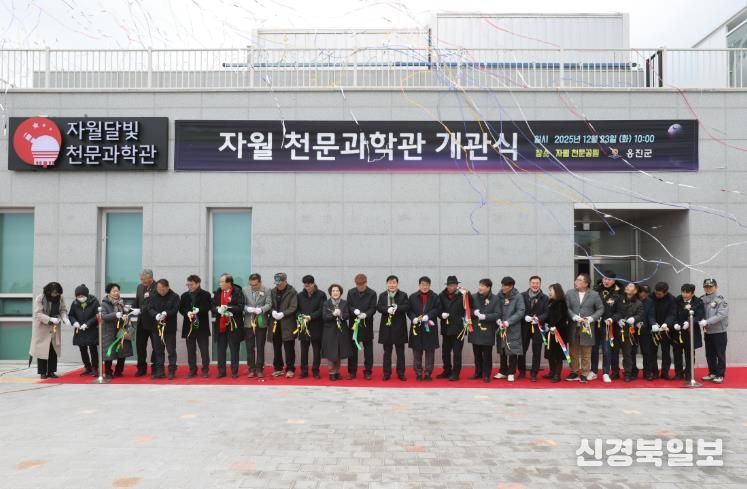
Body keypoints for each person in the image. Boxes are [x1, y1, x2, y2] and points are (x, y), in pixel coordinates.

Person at [566, 273, 604, 384]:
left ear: (586, 283)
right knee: (573, 351)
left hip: (587, 327)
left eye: (579, 280)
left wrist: (591, 318)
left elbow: (600, 309)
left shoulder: (594, 294)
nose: (576, 282)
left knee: (586, 352)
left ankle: (584, 373)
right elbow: (567, 308)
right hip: (573, 326)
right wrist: (573, 316)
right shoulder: (569, 293)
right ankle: (574, 371)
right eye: (576, 279)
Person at [30, 282, 69, 379]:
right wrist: (50, 319)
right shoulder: (40, 298)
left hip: (55, 326)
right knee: (42, 350)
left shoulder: (60, 298)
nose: (56, 294)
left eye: (57, 293)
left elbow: (63, 309)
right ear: (48, 291)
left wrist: (64, 318)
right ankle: (42, 372)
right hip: (42, 327)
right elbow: (38, 313)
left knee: (53, 349)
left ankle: (51, 371)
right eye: (54, 292)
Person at [101, 282, 138, 379]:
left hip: (122, 329)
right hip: (109, 331)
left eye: (117, 291)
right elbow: (103, 316)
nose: (116, 293)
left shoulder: (122, 302)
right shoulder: (104, 303)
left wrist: (131, 312)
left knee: (123, 350)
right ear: (109, 292)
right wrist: (115, 315)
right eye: (114, 291)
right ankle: (108, 372)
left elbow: (126, 312)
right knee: (109, 352)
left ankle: (119, 370)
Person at [407, 276, 441, 381]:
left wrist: (429, 316)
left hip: (429, 327)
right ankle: (418, 373)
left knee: (430, 352)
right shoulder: (413, 297)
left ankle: (428, 373)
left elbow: (437, 309)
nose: (425, 287)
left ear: (429, 286)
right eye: (422, 285)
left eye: (427, 285)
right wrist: (413, 318)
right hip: (416, 327)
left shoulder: (435, 297)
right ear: (419, 285)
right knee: (417, 351)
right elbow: (409, 310)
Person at [437, 276, 470, 381]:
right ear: (447, 286)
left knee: (457, 353)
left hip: (458, 328)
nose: (452, 287)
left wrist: (467, 293)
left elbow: (469, 307)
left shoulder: (463, 295)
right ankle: (447, 370)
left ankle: (456, 373)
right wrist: (441, 314)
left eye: (454, 285)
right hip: (446, 328)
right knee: (445, 352)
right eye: (450, 285)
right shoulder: (441, 295)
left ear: (457, 285)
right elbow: (438, 309)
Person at [377, 275, 410, 381]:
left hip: (399, 328)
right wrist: (387, 310)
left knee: (400, 353)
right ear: (387, 284)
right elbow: (379, 307)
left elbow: (407, 306)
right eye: (390, 283)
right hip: (386, 328)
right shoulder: (382, 295)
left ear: (397, 284)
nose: (392, 285)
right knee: (387, 352)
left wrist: (397, 307)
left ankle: (401, 373)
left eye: (394, 282)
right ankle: (386, 373)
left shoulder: (403, 295)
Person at [212, 273, 245, 379]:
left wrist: (228, 308)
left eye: (222, 282)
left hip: (233, 325)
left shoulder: (237, 292)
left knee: (234, 349)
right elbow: (212, 306)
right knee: (221, 349)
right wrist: (218, 310)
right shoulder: (218, 292)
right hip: (220, 325)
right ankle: (221, 371)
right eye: (220, 281)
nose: (220, 283)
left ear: (229, 283)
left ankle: (234, 371)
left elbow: (240, 307)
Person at [179, 274, 212, 378]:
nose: (189, 286)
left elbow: (208, 306)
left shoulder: (205, 294)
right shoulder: (184, 295)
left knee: (204, 350)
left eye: (191, 284)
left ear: (198, 284)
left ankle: (205, 370)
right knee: (191, 350)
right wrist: (187, 313)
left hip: (201, 326)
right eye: (188, 284)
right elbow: (181, 308)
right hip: (189, 326)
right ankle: (192, 370)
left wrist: (199, 310)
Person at [494, 277, 526, 382]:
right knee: (502, 349)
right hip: (501, 326)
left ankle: (511, 372)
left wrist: (508, 322)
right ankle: (503, 371)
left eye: (505, 286)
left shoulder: (518, 296)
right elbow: (496, 309)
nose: (502, 287)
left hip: (513, 328)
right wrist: (498, 319)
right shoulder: (499, 296)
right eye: (502, 285)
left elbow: (521, 311)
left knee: (512, 350)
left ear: (511, 286)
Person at [147, 279, 180, 379]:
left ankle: (172, 370)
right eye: (158, 289)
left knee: (171, 350)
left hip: (169, 328)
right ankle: (160, 371)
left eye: (162, 289)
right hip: (156, 328)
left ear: (167, 287)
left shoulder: (174, 296)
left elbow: (175, 309)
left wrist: (167, 313)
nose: (160, 291)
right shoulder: (153, 296)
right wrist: (155, 315)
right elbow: (150, 308)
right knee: (158, 350)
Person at [592, 271, 622, 383]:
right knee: (594, 349)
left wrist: (612, 319)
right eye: (604, 279)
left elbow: (620, 312)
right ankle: (593, 371)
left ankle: (605, 373)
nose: (606, 281)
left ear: (613, 281)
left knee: (606, 350)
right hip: (595, 324)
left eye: (609, 279)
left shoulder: (618, 293)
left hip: (608, 326)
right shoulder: (595, 291)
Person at [346, 273, 377, 380]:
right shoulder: (351, 292)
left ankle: (368, 371)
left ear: (366, 283)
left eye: (362, 284)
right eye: (358, 284)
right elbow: (348, 305)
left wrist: (366, 314)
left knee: (368, 351)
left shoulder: (372, 293)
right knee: (352, 350)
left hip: (366, 324)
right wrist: (353, 310)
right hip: (354, 325)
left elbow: (373, 308)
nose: (360, 286)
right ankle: (352, 371)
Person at [469, 279, 500, 382]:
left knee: (487, 354)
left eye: (483, 286)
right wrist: (474, 312)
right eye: (480, 285)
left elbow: (497, 314)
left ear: (488, 287)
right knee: (477, 354)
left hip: (488, 330)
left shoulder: (495, 299)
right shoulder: (473, 297)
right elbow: (467, 310)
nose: (480, 288)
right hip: (476, 330)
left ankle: (486, 374)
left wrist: (485, 316)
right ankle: (478, 372)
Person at [519, 276, 549, 382]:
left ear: (540, 284)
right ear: (529, 284)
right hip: (525, 326)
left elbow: (547, 312)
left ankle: (534, 373)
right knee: (522, 350)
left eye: (537, 283)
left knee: (537, 350)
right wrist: (524, 317)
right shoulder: (522, 296)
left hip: (538, 327)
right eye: (533, 283)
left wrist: (539, 318)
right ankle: (521, 371)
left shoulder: (545, 298)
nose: (535, 285)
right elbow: (519, 310)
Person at [296, 275, 326, 379]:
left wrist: (311, 317)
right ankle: (304, 371)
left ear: (313, 284)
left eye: (309, 285)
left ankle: (315, 371)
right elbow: (297, 309)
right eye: (305, 286)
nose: (307, 288)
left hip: (316, 326)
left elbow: (322, 309)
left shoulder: (321, 295)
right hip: (303, 326)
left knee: (316, 350)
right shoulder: (300, 295)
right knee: (304, 350)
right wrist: (301, 317)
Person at [243, 273, 272, 378]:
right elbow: (242, 304)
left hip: (261, 321)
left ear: (260, 282)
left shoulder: (267, 290)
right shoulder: (244, 290)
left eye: (255, 285)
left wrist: (262, 309)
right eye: (251, 284)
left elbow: (269, 304)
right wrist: (247, 309)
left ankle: (259, 369)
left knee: (260, 346)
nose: (253, 287)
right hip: (248, 321)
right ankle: (251, 368)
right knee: (249, 346)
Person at [67, 284, 100, 377]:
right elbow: (71, 315)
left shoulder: (94, 302)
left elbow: (97, 315)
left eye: (82, 296)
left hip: (91, 329)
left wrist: (87, 324)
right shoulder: (75, 303)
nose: (80, 298)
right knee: (82, 349)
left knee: (93, 349)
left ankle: (95, 368)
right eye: (78, 296)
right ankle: (87, 367)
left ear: (86, 295)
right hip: (80, 330)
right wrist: (74, 322)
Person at [270, 272, 298, 378]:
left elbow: (293, 307)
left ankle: (290, 369)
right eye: (276, 283)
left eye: (280, 283)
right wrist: (272, 311)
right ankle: (278, 368)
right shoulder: (272, 291)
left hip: (288, 323)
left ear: (285, 281)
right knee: (276, 347)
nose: (278, 285)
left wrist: (283, 314)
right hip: (275, 323)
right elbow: (269, 304)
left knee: (289, 347)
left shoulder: (292, 292)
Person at [614, 282, 644, 382]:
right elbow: (614, 312)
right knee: (614, 353)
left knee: (627, 354)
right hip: (617, 329)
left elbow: (640, 315)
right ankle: (615, 372)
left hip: (629, 332)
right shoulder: (619, 299)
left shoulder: (638, 303)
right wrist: (618, 320)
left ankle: (628, 373)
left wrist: (634, 319)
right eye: (627, 286)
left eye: (630, 286)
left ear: (635, 291)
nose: (627, 287)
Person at [700, 278, 728, 384]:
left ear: (716, 287)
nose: (708, 288)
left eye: (710, 286)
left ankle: (720, 374)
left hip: (719, 331)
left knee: (720, 354)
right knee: (709, 354)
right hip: (707, 331)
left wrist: (707, 321)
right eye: (706, 287)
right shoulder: (702, 299)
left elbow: (721, 315)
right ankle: (712, 372)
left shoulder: (721, 300)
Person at [674, 283, 704, 381]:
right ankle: (678, 373)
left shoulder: (698, 301)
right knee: (677, 352)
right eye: (683, 292)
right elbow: (673, 313)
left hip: (690, 331)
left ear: (692, 293)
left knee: (689, 353)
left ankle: (689, 373)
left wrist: (690, 322)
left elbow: (699, 315)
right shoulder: (677, 300)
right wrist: (675, 323)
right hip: (678, 331)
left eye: (687, 293)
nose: (684, 295)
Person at [321, 284, 351, 380]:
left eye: (337, 291)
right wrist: (333, 315)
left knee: (339, 351)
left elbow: (347, 315)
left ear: (340, 292)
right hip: (330, 331)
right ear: (330, 293)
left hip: (341, 331)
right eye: (333, 291)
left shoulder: (344, 303)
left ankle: (337, 371)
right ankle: (331, 372)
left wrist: (341, 314)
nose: (335, 292)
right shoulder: (326, 303)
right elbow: (324, 317)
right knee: (331, 352)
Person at [543, 283, 569, 383]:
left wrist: (555, 326)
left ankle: (557, 375)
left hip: (559, 333)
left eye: (551, 290)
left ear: (557, 291)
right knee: (550, 353)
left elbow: (563, 318)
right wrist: (546, 324)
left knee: (558, 355)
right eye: (549, 290)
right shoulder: (549, 302)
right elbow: (547, 316)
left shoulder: (562, 303)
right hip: (549, 332)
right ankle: (552, 372)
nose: (549, 292)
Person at [134, 269, 157, 377]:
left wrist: (141, 310)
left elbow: (153, 304)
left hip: (153, 322)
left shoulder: (158, 286)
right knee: (140, 346)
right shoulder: (139, 287)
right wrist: (130, 309)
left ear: (150, 278)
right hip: (141, 322)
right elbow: (137, 301)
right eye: (141, 278)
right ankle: (141, 368)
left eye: (143, 279)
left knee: (156, 346)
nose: (141, 280)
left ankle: (155, 367)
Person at [652, 281, 677, 380]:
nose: (657, 295)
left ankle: (665, 372)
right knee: (652, 351)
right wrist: (653, 323)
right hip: (653, 329)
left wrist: (666, 323)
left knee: (665, 351)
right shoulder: (651, 297)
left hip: (665, 329)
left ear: (665, 292)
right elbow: (649, 312)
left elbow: (672, 314)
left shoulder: (671, 299)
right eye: (656, 293)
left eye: (659, 294)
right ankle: (654, 372)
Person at [637, 284, 658, 380]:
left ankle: (647, 372)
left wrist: (653, 323)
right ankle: (632, 371)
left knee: (646, 352)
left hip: (645, 329)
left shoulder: (650, 302)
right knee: (631, 352)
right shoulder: (634, 299)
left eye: (646, 292)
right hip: (632, 329)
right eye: (642, 292)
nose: (644, 294)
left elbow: (651, 315)